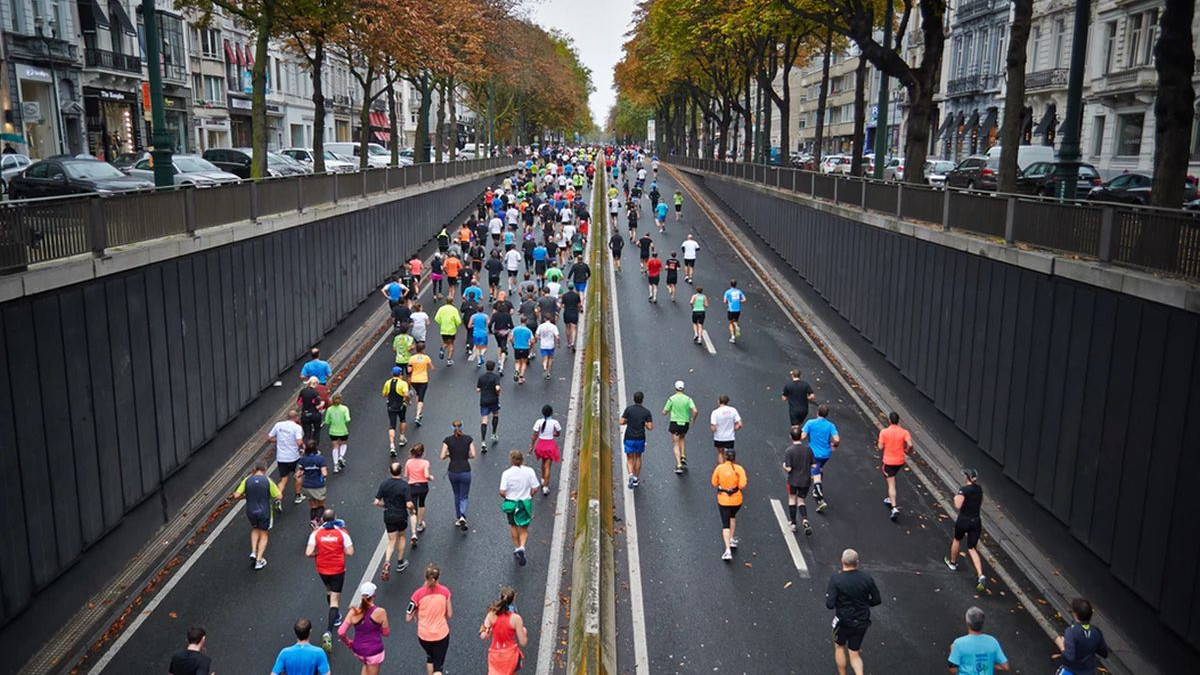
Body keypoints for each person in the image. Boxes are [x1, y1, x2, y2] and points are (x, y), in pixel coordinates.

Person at [825, 549, 882, 675]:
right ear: (857, 562)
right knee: (854, 652)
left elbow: (829, 604)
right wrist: (866, 604)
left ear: (842, 561)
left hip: (843, 621)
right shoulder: (867, 579)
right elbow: (877, 600)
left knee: (839, 647)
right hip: (862, 621)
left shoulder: (836, 580)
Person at [306, 509, 355, 651]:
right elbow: (350, 552)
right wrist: (339, 549)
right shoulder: (342, 532)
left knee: (328, 591)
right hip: (337, 570)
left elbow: (308, 552)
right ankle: (328, 631)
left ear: (322, 520)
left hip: (322, 569)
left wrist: (318, 553)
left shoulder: (316, 533)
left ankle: (337, 616)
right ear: (335, 518)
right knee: (335, 599)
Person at [945, 468, 988, 592]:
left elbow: (958, 505)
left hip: (964, 520)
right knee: (972, 548)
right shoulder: (979, 489)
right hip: (976, 521)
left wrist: (955, 498)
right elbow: (980, 502)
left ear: (967, 478)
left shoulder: (963, 490)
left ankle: (952, 563)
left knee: (957, 539)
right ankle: (980, 575)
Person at [233, 462, 280, 570]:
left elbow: (236, 495)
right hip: (265, 512)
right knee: (264, 534)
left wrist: (247, 496)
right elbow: (279, 495)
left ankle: (253, 551)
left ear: (255, 469)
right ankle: (259, 560)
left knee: (255, 529)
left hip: (251, 511)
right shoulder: (267, 481)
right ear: (265, 469)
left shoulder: (247, 480)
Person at [408, 563, 453, 675]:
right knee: (438, 667)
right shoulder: (445, 592)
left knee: (430, 658)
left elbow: (408, 617)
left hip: (424, 636)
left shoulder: (417, 595)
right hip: (441, 635)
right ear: (439, 577)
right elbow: (450, 614)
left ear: (425, 577)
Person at [338, 582, 390, 674]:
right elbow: (386, 633)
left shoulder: (353, 611)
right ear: (374, 595)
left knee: (366, 665)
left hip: (359, 651)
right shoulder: (380, 612)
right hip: (374, 652)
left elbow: (341, 632)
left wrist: (349, 643)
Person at [499, 450, 540, 566]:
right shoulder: (529, 471)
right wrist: (529, 496)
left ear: (511, 460)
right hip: (524, 503)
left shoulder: (506, 473)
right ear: (522, 459)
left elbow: (502, 491)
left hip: (512, 503)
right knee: (523, 528)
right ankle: (522, 546)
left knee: (513, 525)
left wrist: (508, 497)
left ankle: (517, 548)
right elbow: (535, 487)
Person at [374, 462, 412, 581]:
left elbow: (376, 502)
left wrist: (385, 505)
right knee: (401, 537)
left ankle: (387, 561)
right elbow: (409, 503)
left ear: (390, 471)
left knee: (391, 541)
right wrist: (412, 509)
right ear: (400, 471)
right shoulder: (404, 485)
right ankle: (400, 562)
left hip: (389, 515)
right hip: (401, 515)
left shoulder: (384, 484)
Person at [480, 586, 528, 675]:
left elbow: (483, 635)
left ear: (500, 597)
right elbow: (523, 641)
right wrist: (524, 631)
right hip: (511, 655)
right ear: (513, 599)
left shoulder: (491, 615)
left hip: (495, 656)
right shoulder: (516, 618)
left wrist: (489, 630)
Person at [801, 404, 840, 512]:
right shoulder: (830, 425)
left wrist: (795, 436)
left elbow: (803, 436)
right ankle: (816, 490)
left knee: (816, 475)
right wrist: (834, 446)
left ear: (817, 412)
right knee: (819, 469)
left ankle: (820, 498)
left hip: (813, 453)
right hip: (826, 454)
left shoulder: (810, 423)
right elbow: (836, 439)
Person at [947, 607, 1010, 674]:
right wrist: (990, 664)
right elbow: (1005, 666)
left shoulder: (958, 644)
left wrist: (952, 652)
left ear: (967, 623)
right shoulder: (992, 641)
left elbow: (953, 670)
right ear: (982, 623)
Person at [1055, 598, 1109, 675]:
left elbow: (1069, 657)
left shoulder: (1071, 632)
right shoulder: (1096, 632)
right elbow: (1104, 653)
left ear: (1075, 614)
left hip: (1071, 671)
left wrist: (1061, 645)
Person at [711, 448, 747, 561]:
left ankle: (727, 550)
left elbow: (714, 483)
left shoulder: (719, 468)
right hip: (737, 500)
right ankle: (731, 538)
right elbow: (742, 484)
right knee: (732, 516)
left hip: (724, 500)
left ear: (725, 457)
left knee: (725, 524)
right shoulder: (739, 469)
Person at [441, 420, 477, 530]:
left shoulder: (447, 440)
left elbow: (442, 456)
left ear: (452, 428)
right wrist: (465, 455)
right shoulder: (468, 439)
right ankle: (462, 515)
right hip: (465, 470)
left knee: (456, 494)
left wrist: (450, 454)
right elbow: (473, 455)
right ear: (462, 427)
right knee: (464, 495)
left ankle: (458, 517)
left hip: (453, 471)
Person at [877, 412, 913, 521]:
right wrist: (907, 450)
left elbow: (880, 447)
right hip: (900, 461)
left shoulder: (884, 432)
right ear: (899, 421)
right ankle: (890, 498)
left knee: (891, 483)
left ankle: (893, 507)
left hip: (888, 462)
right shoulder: (904, 432)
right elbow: (910, 444)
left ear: (889, 420)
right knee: (893, 478)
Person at [783, 425, 815, 535]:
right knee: (801, 500)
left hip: (793, 480)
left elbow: (789, 468)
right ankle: (805, 519)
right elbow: (814, 465)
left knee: (792, 499)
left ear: (790, 437)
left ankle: (793, 523)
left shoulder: (789, 451)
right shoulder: (808, 449)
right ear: (801, 436)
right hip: (805, 480)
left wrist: (784, 466)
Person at [268, 410, 305, 505]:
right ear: (296, 418)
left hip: (281, 457)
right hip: (294, 457)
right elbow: (299, 442)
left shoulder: (278, 425)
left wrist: (278, 440)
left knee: (283, 479)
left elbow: (270, 437)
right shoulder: (297, 428)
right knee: (298, 475)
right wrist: (302, 448)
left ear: (287, 417)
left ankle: (278, 498)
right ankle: (298, 496)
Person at [663, 380, 699, 475]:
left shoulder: (672, 399)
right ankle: (683, 455)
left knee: (675, 443)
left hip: (675, 422)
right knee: (682, 437)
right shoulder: (688, 399)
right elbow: (695, 411)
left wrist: (666, 412)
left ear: (675, 388)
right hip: (685, 423)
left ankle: (679, 464)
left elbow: (665, 411)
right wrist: (693, 419)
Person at [619, 391, 653, 489]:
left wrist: (628, 421)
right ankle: (635, 478)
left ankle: (630, 474)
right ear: (642, 400)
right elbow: (650, 427)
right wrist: (645, 423)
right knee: (638, 457)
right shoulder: (646, 412)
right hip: (640, 438)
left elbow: (621, 421)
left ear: (634, 399)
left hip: (629, 437)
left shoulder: (629, 410)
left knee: (629, 458)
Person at [529, 404, 562, 496]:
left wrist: (532, 446)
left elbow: (535, 435)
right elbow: (558, 433)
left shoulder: (539, 422)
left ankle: (543, 478)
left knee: (543, 463)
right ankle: (545, 486)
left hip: (541, 445)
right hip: (550, 445)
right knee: (548, 466)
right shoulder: (555, 422)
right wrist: (554, 434)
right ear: (551, 412)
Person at [296, 439, 329, 528]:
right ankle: (317, 520)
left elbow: (299, 472)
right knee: (321, 504)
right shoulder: (320, 459)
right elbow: (324, 473)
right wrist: (324, 477)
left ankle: (313, 520)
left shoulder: (303, 459)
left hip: (307, 485)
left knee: (313, 505)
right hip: (318, 485)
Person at [405, 444, 432, 546]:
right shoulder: (425, 463)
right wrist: (430, 477)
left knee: (412, 510)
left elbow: (405, 475)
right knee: (422, 504)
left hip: (412, 487)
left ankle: (413, 533)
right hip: (423, 486)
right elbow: (426, 475)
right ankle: (420, 524)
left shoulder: (408, 462)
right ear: (423, 453)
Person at [382, 367, 411, 457]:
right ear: (400, 374)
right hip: (401, 405)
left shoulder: (388, 382)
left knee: (392, 424)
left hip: (390, 406)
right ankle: (402, 437)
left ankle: (392, 445)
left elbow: (384, 394)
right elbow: (406, 394)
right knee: (402, 420)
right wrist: (408, 400)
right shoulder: (403, 383)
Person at [709, 394, 743, 464]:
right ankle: (729, 469)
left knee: (720, 453)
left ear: (718, 401)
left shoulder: (715, 412)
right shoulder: (733, 410)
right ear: (728, 402)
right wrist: (733, 429)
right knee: (728, 454)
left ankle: (721, 469)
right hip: (729, 437)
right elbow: (740, 424)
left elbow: (713, 427)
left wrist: (713, 429)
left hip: (719, 437)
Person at [323, 393, 351, 473]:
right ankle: (341, 457)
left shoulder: (330, 409)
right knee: (343, 444)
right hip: (343, 430)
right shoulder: (344, 408)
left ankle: (335, 466)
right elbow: (348, 419)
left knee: (335, 447)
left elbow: (327, 421)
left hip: (333, 431)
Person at [407, 341, 433, 426]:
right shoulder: (426, 358)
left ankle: (419, 412)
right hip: (423, 380)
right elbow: (431, 367)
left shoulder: (412, 358)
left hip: (414, 380)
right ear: (423, 349)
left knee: (418, 394)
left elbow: (409, 370)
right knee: (421, 398)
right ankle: (417, 416)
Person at [477, 360, 503, 444]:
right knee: (495, 414)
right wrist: (498, 393)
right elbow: (497, 388)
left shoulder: (481, 377)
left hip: (484, 400)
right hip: (493, 400)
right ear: (494, 367)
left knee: (484, 419)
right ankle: (493, 434)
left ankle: (483, 442)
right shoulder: (496, 377)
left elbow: (478, 389)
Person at [489, 299, 514, 375]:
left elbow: (490, 324)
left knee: (499, 345)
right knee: (503, 347)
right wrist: (509, 328)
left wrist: (490, 331)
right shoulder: (507, 315)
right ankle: (501, 365)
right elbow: (512, 325)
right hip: (504, 332)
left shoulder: (495, 315)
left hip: (497, 332)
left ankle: (499, 359)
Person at [434, 297, 462, 366]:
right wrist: (457, 324)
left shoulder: (441, 308)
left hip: (443, 329)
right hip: (452, 329)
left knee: (445, 342)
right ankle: (449, 359)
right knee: (451, 344)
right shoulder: (454, 309)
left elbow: (436, 318)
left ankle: (442, 349)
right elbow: (458, 321)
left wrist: (441, 323)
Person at [298, 376, 326, 442]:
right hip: (314, 414)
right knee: (316, 431)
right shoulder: (315, 393)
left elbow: (299, 402)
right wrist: (322, 403)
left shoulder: (303, 391)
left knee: (307, 433)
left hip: (305, 414)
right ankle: (314, 447)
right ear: (315, 383)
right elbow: (317, 405)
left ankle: (306, 447)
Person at [535, 314, 560, 380]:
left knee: (545, 358)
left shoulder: (541, 326)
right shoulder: (553, 327)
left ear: (544, 319)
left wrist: (540, 338)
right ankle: (548, 372)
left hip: (543, 345)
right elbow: (557, 336)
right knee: (550, 358)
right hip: (551, 345)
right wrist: (558, 344)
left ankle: (544, 368)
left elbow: (536, 335)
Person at [511, 315, 534, 384]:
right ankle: (521, 377)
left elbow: (510, 338)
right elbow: (532, 341)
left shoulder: (515, 329)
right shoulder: (528, 331)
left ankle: (517, 370)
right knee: (524, 362)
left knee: (517, 362)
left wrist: (513, 344)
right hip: (525, 347)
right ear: (526, 322)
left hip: (517, 347)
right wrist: (531, 347)